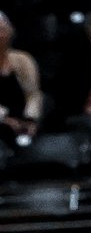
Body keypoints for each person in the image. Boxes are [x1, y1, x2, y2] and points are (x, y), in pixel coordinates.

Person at [0, 11, 43, 149]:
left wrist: (31, 119)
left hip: (23, 118)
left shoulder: (23, 59)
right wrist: (5, 119)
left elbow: (33, 94)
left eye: (3, 30)